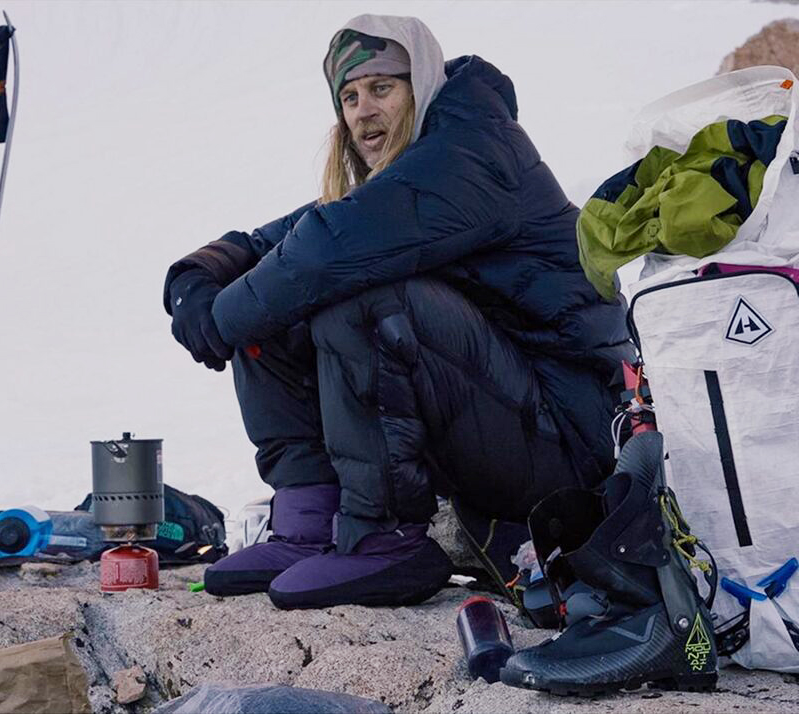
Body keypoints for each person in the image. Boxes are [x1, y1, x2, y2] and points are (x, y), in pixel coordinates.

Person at [163, 14, 632, 610]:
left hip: (568, 444)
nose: (362, 111)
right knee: (279, 301)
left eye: (382, 88)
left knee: (353, 296)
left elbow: (325, 250)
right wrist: (197, 276)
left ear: (423, 86)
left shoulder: (474, 154)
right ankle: (311, 523)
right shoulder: (405, 180)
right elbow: (286, 242)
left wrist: (220, 319)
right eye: (349, 98)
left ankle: (385, 539)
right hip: (511, 426)